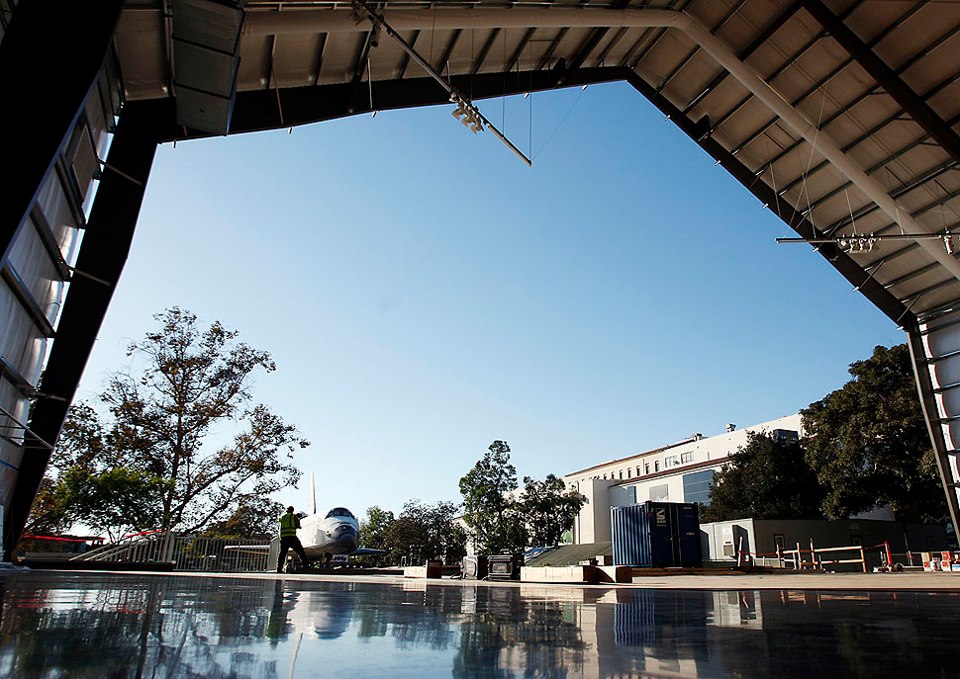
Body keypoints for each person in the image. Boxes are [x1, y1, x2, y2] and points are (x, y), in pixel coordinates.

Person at [277, 506, 310, 573]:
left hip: (283, 538)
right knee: (301, 551)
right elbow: (298, 526)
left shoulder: (282, 517)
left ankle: (279, 569)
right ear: (292, 511)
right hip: (292, 537)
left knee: (282, 554)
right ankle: (305, 565)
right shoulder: (293, 517)